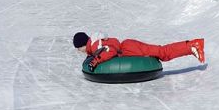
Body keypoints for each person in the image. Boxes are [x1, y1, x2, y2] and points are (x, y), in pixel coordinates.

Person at [73, 31, 205, 71]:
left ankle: (193, 46)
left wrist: (95, 61)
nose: (80, 52)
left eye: (79, 49)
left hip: (130, 49)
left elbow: (109, 51)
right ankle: (191, 46)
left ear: (83, 44)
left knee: (162, 53)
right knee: (162, 52)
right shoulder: (94, 45)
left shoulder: (96, 44)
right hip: (128, 48)